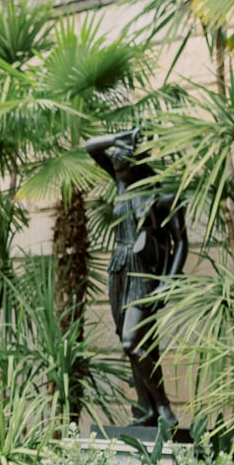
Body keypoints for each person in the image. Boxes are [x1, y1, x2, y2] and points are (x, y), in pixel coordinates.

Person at [85, 128, 188, 429]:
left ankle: (165, 409)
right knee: (132, 342)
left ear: (137, 163)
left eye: (123, 163)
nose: (117, 168)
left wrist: (168, 282)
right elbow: (91, 148)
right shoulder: (120, 182)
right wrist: (119, 138)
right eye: (115, 163)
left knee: (133, 341)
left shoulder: (160, 195)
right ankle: (149, 410)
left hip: (143, 272)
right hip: (118, 270)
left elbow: (180, 242)